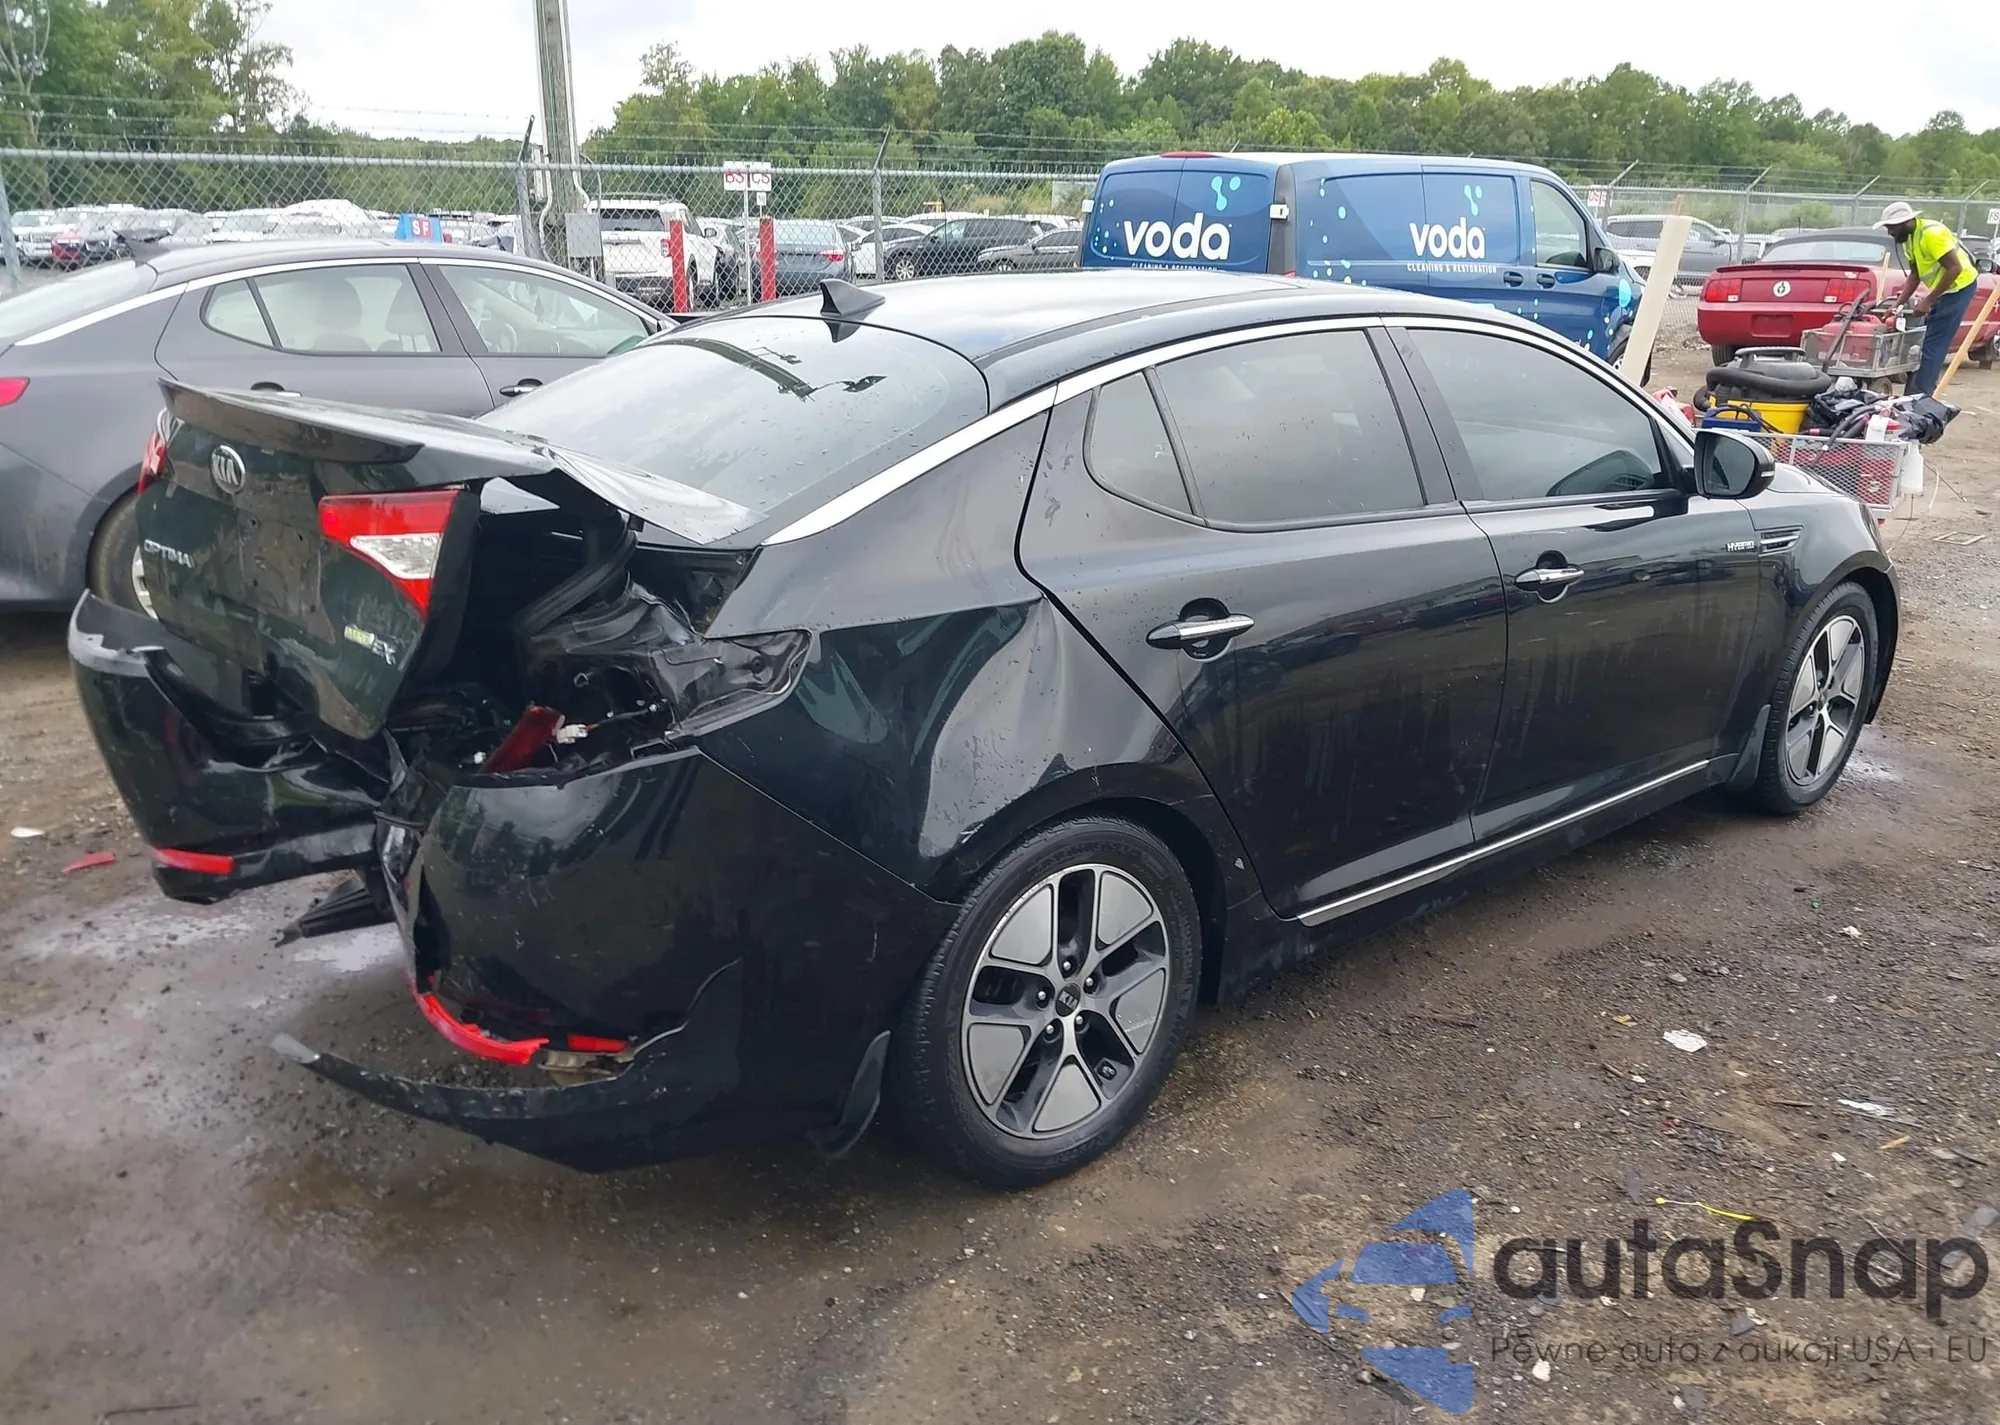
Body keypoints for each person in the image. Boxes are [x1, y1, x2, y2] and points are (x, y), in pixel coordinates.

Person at [1874, 201, 1978, 396]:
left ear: (1905, 222)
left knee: (1933, 345)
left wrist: (1928, 301)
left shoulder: (1932, 234)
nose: (1890, 232)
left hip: (1958, 288)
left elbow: (1955, 268)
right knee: (1922, 342)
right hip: (1943, 290)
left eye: (1892, 227)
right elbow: (1914, 275)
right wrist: (1897, 305)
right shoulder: (1909, 240)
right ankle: (1915, 392)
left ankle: (1920, 396)